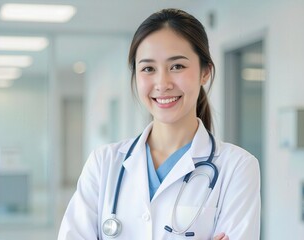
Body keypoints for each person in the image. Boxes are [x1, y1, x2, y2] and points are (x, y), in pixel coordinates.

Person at [58, 8, 260, 240]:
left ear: (205, 72)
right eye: (148, 69)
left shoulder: (238, 168)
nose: (162, 83)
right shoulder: (103, 163)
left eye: (177, 66)